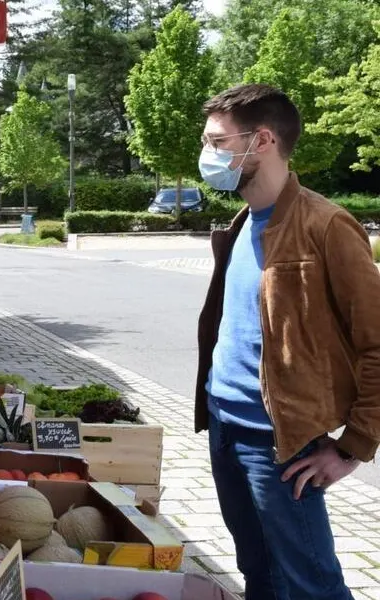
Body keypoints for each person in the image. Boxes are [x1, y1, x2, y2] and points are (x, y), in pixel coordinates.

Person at [195, 83, 380, 600]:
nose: (208, 154)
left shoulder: (326, 225)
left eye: (218, 142)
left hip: (279, 443)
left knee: (310, 585)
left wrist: (353, 448)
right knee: (258, 572)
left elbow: (375, 341)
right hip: (224, 426)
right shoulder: (240, 224)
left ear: (264, 141)